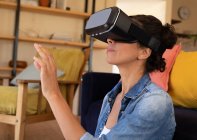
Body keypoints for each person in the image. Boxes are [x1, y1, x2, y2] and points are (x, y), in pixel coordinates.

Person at [33, 11, 177, 140]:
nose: (110, 40)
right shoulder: (111, 97)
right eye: (110, 36)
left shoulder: (156, 102)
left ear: (144, 52)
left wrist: (54, 94)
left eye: (121, 36)